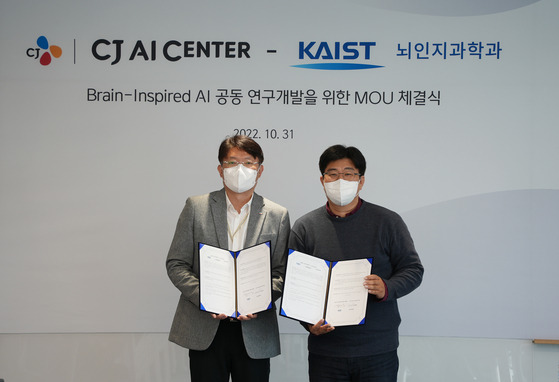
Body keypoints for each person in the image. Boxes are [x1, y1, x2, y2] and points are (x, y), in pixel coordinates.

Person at [289, 144, 424, 382]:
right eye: (333, 174)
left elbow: (413, 270)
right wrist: (309, 324)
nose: (340, 180)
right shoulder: (305, 227)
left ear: (360, 181)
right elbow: (295, 285)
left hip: (377, 349)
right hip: (326, 351)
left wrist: (387, 288)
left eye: (349, 173)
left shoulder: (388, 221)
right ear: (322, 180)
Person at [166, 135, 290, 382]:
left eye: (248, 162)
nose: (240, 169)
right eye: (232, 163)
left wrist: (259, 299)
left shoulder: (278, 214)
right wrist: (206, 297)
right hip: (205, 325)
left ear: (260, 169)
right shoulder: (196, 206)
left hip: (254, 327)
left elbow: (282, 272)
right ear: (220, 170)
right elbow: (176, 263)